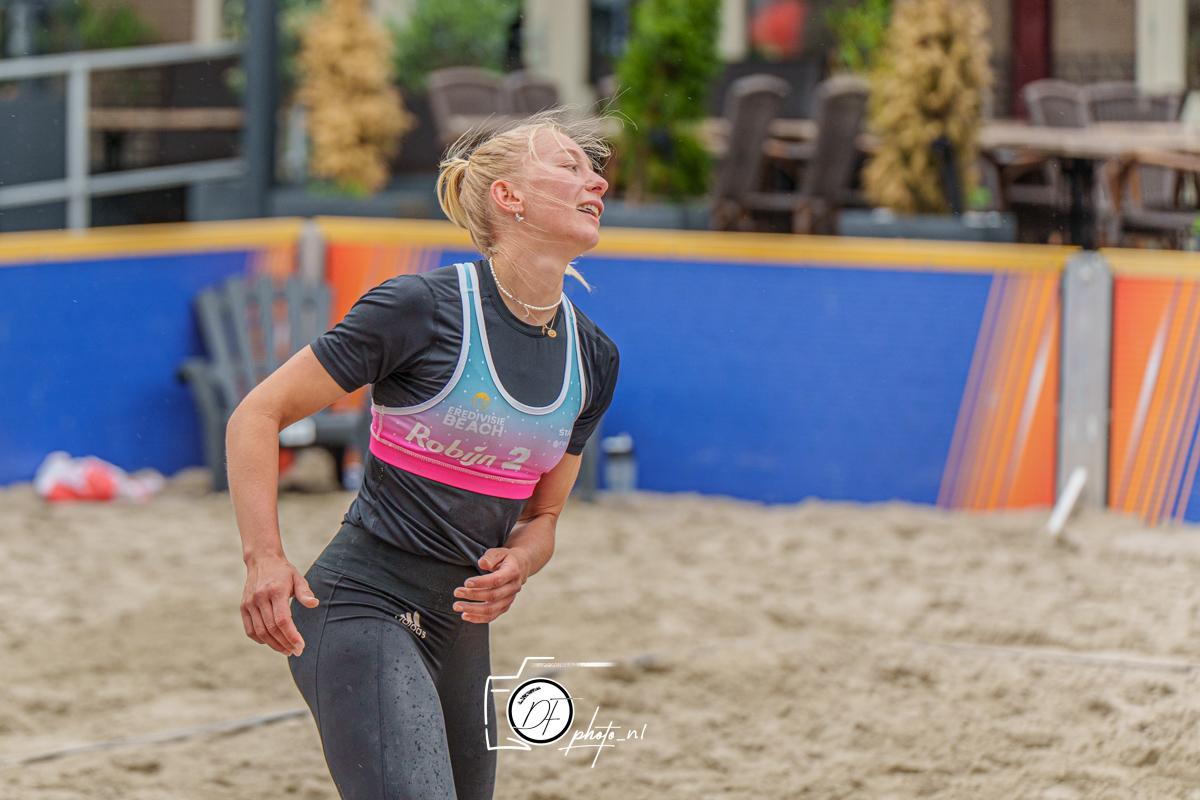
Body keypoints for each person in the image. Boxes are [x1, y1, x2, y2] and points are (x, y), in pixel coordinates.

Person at [226, 109, 620, 800]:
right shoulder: (420, 308)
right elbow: (256, 414)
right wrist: (264, 558)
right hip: (359, 607)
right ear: (509, 196)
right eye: (569, 166)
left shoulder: (593, 356)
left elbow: (544, 517)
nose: (598, 182)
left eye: (595, 169)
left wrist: (522, 561)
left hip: (461, 629)